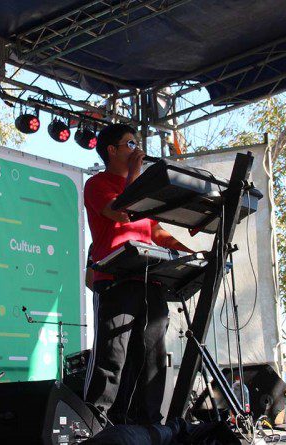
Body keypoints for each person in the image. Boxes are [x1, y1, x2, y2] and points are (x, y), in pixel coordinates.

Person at [83, 123, 190, 425]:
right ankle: (98, 425)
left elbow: (156, 231)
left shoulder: (141, 188)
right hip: (116, 279)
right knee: (112, 356)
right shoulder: (97, 184)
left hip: (149, 278)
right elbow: (122, 213)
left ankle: (149, 425)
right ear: (111, 150)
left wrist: (189, 253)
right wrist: (135, 172)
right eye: (130, 144)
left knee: (153, 358)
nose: (137, 149)